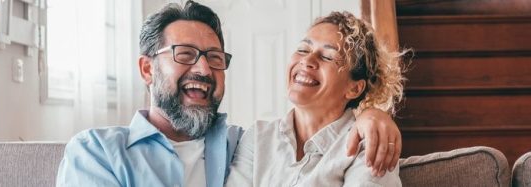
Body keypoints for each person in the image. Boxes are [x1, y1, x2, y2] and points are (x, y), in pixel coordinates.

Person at [55, 1, 401, 187]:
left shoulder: (238, 143)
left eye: (214, 59)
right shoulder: (96, 152)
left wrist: (371, 113)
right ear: (148, 69)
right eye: (185, 55)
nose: (204, 70)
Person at [227, 11, 405, 186]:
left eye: (328, 57)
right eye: (303, 49)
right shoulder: (258, 138)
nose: (307, 60)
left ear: (354, 88)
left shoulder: (371, 144)